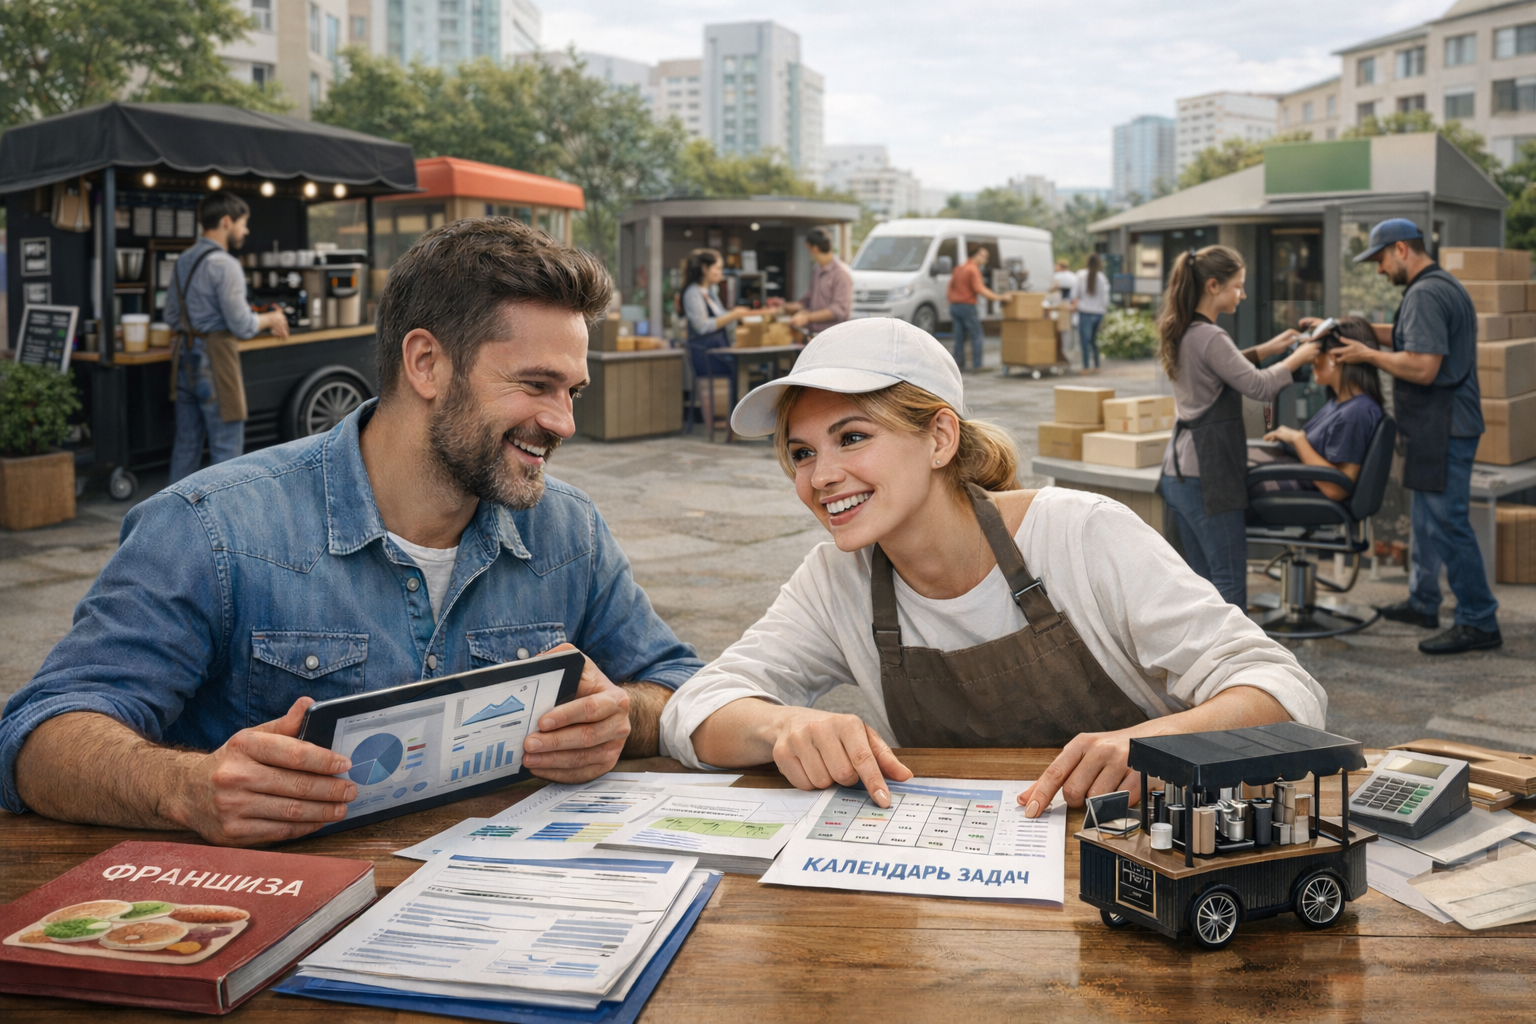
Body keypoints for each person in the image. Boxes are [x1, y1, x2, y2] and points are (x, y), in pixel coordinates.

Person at [1, 218, 703, 845]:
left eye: (571, 391)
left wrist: (621, 718)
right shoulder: (210, 527)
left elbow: (683, 688)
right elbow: (38, 739)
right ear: (425, 363)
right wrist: (184, 789)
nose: (564, 422)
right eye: (536, 385)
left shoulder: (569, 530)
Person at [658, 318, 1326, 816]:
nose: (821, 477)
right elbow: (692, 711)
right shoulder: (836, 580)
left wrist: (1156, 745)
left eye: (852, 437)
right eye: (801, 453)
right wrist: (783, 725)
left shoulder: (1080, 533)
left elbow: (1285, 693)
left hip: (1149, 853)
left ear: (940, 437)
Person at [1323, 219, 1501, 654]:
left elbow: (1423, 367)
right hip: (1437, 425)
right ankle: (1423, 602)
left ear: (1401, 249)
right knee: (1424, 519)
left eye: (1381, 259)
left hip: (1445, 427)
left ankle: (1479, 619)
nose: (1379, 270)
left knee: (1447, 523)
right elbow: (1408, 336)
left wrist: (1367, 354)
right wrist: (1346, 331)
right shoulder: (1440, 285)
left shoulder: (1424, 293)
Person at [1157, 245, 1320, 610]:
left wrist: (1269, 349)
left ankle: (1209, 649)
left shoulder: (1185, 329)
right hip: (1209, 476)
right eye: (1238, 286)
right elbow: (1258, 386)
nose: (1243, 295)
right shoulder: (1211, 336)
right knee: (1228, 583)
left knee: (1201, 589)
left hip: (1177, 474)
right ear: (1213, 286)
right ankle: (1235, 649)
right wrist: (1298, 358)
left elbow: (1219, 367)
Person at [163, 191, 291, 484]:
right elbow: (242, 326)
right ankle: (224, 512)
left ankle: (171, 511)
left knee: (186, 445)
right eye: (243, 223)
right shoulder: (226, 264)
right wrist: (270, 318)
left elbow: (170, 316)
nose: (246, 231)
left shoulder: (183, 260)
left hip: (183, 358)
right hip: (215, 359)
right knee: (226, 449)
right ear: (225, 222)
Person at [1249, 316, 1385, 501]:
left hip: (1297, 491)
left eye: (1317, 351)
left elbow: (1337, 488)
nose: (1311, 360)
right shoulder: (1340, 403)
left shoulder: (1356, 412)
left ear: (1336, 357)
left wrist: (1298, 439)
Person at [680, 247, 751, 378]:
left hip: (719, 351)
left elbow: (723, 317)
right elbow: (702, 326)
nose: (720, 272)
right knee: (743, 366)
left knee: (747, 363)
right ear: (704, 268)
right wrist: (733, 315)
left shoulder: (710, 292)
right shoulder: (692, 293)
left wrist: (734, 314)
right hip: (707, 355)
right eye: (717, 268)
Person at [946, 244, 1007, 370]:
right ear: (977, 255)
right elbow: (980, 289)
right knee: (977, 335)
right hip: (967, 307)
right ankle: (977, 365)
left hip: (955, 306)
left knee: (959, 337)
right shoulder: (973, 270)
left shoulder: (959, 268)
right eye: (985, 257)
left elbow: (949, 288)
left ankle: (958, 365)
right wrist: (1001, 297)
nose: (986, 260)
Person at [783, 227, 852, 337]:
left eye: (808, 249)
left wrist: (808, 317)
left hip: (834, 337)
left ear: (814, 248)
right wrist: (786, 307)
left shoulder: (840, 273)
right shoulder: (816, 269)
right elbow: (807, 301)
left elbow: (838, 310)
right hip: (815, 335)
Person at [1071, 254, 1111, 373]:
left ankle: (1086, 366)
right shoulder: (1102, 277)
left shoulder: (1080, 275)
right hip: (1098, 313)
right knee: (1094, 340)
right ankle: (1097, 366)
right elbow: (1105, 299)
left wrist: (1075, 304)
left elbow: (1074, 295)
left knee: (1085, 341)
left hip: (1085, 312)